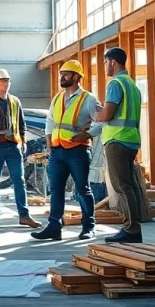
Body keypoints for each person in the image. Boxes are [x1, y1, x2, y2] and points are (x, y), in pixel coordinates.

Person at [32, 59, 100, 241]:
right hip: (57, 151)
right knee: (56, 190)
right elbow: (50, 122)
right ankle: (54, 226)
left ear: (76, 77)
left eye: (66, 74)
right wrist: (48, 143)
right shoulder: (57, 98)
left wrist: (87, 135)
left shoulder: (89, 99)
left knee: (82, 189)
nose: (62, 77)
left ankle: (88, 227)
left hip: (78, 151)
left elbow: (101, 122)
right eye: (61, 74)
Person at [91, 47, 146, 244]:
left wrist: (94, 113)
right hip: (130, 140)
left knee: (122, 186)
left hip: (117, 141)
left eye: (105, 62)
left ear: (112, 62)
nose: (104, 66)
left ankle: (131, 229)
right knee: (129, 185)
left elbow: (106, 115)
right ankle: (133, 226)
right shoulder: (132, 86)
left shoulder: (115, 84)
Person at [0, 69, 41, 230]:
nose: (6, 83)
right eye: (2, 81)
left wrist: (23, 141)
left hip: (13, 146)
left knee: (19, 180)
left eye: (8, 80)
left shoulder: (15, 101)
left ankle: (24, 215)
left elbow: (21, 124)